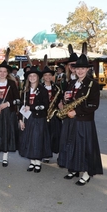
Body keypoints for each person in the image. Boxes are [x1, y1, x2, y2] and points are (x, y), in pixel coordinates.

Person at [57, 54, 103, 186]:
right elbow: (69, 99)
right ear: (74, 70)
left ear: (87, 69)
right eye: (78, 68)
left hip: (84, 121)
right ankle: (73, 168)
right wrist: (65, 100)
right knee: (70, 145)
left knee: (85, 147)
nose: (80, 71)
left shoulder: (92, 84)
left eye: (83, 68)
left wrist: (76, 112)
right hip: (70, 120)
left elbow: (94, 105)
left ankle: (87, 173)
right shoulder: (72, 83)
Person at [18, 66, 51, 173]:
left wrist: (31, 108)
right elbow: (21, 107)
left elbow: (45, 106)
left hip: (39, 118)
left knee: (38, 140)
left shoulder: (43, 90)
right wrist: (20, 120)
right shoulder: (25, 91)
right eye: (30, 76)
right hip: (28, 118)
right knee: (29, 140)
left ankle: (38, 162)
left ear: (38, 77)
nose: (32, 77)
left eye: (34, 76)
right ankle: (32, 161)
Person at [0, 60, 20, 167]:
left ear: (7, 73)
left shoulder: (12, 84)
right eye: (0, 71)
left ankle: (5, 157)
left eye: (4, 71)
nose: (2, 73)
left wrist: (8, 104)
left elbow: (17, 100)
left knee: (6, 132)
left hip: (7, 112)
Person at [41, 66, 62, 163]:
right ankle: (46, 154)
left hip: (54, 114)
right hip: (42, 114)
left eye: (49, 75)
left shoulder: (57, 87)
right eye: (45, 75)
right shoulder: (39, 87)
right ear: (43, 77)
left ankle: (58, 153)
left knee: (56, 134)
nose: (48, 77)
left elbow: (60, 100)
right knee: (45, 135)